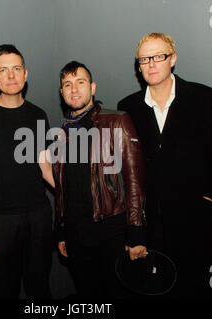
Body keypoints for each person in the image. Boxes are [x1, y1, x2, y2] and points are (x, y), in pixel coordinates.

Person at [118, 33, 212, 298]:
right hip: (149, 229)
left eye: (158, 56)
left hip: (195, 223)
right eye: (144, 59)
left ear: (173, 59)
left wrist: (210, 202)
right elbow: (127, 171)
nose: (151, 63)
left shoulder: (202, 98)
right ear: (138, 65)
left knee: (197, 291)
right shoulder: (128, 108)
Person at [53, 61, 147, 298]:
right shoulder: (61, 133)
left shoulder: (116, 120)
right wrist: (62, 231)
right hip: (75, 235)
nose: (74, 90)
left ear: (92, 87)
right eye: (68, 84)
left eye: (80, 83)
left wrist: (135, 233)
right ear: (62, 93)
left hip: (111, 233)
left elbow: (134, 180)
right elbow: (62, 188)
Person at [0, 44, 54, 299]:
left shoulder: (38, 114)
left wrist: (75, 197)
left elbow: (45, 167)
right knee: (4, 290)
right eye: (3, 70)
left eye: (16, 69)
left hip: (38, 216)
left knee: (40, 288)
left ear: (26, 74)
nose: (11, 76)